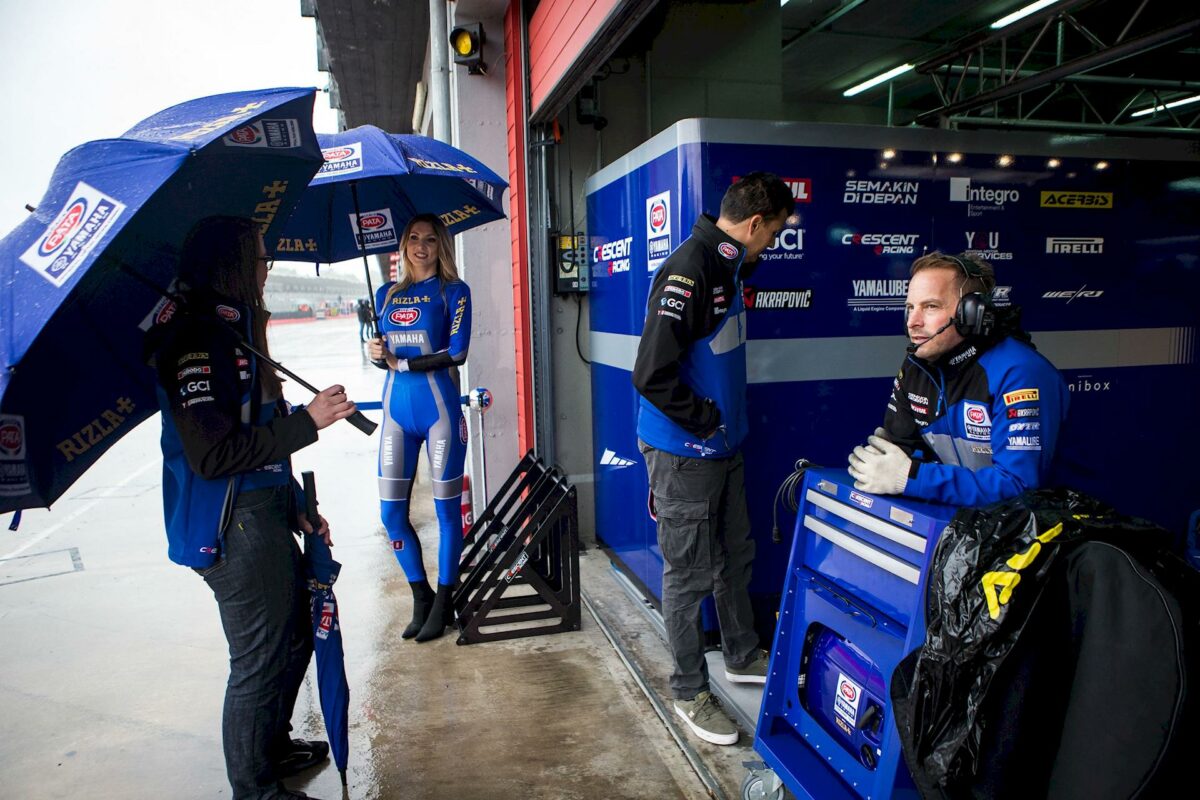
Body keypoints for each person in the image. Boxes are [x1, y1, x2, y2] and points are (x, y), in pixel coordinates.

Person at [150, 216, 357, 800]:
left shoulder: (234, 330)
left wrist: (295, 505)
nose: (267, 268)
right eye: (261, 257)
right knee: (259, 659)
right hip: (230, 527)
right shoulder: (195, 341)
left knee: (295, 637)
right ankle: (255, 789)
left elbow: (257, 433)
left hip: (263, 514)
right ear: (234, 263)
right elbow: (214, 455)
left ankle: (271, 745)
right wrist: (307, 422)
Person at [632, 172, 794, 746]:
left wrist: (721, 429)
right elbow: (650, 375)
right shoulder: (691, 269)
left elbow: (739, 266)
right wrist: (705, 420)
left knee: (735, 556)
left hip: (722, 447)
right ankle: (688, 692)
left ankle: (741, 654)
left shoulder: (727, 262)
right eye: (772, 234)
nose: (771, 245)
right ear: (755, 224)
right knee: (689, 575)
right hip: (684, 452)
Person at [848, 251, 1069, 507]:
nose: (913, 322)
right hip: (976, 522)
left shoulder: (1019, 372)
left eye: (930, 306)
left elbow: (1019, 486)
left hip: (1056, 524)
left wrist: (910, 476)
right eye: (910, 308)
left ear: (971, 313)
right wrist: (883, 462)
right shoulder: (917, 366)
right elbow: (903, 448)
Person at [366, 214, 471, 643]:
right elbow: (384, 357)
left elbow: (458, 352)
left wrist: (403, 363)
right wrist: (375, 352)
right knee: (391, 514)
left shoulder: (454, 290)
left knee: (446, 514)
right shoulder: (386, 294)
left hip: (439, 410)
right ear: (403, 245)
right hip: (396, 414)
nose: (421, 246)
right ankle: (421, 596)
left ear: (440, 245)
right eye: (413, 238)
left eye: (430, 239)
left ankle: (445, 601)